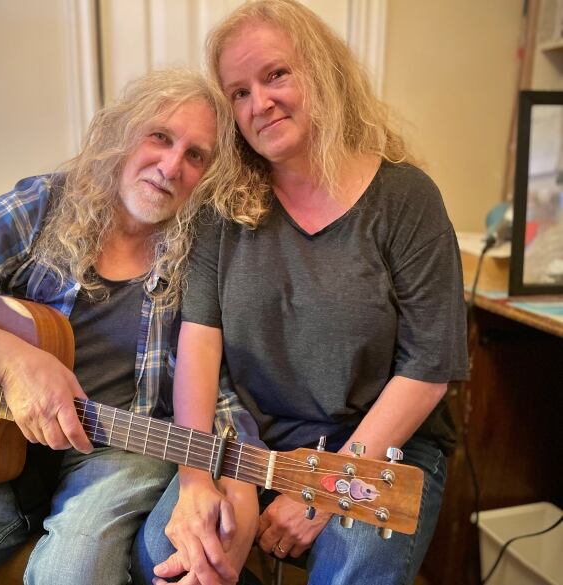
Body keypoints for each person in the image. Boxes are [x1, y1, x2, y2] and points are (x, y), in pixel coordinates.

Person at [0, 67, 230, 585]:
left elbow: (226, 383)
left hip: (120, 452)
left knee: (72, 574)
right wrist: (12, 363)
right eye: (159, 136)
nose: (170, 166)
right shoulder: (44, 206)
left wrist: (220, 477)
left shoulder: (204, 255)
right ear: (123, 135)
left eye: (196, 155)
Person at [133, 2, 469, 584]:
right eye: (237, 92)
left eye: (275, 75)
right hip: (252, 443)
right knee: (164, 557)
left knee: (354, 569)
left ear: (322, 72)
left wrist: (324, 488)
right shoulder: (220, 209)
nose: (258, 103)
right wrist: (198, 478)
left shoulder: (405, 198)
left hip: (383, 451)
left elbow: (429, 368)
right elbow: (199, 349)